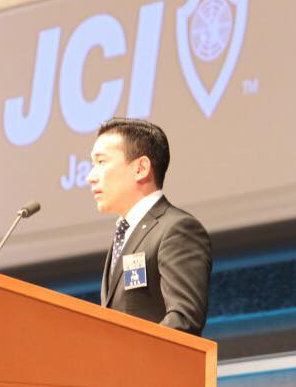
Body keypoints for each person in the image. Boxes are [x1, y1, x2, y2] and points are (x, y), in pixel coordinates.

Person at [86, 117, 212, 336]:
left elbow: (183, 320)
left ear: (141, 168)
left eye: (101, 162)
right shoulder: (125, 234)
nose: (90, 177)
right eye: (92, 164)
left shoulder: (176, 229)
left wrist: (130, 354)